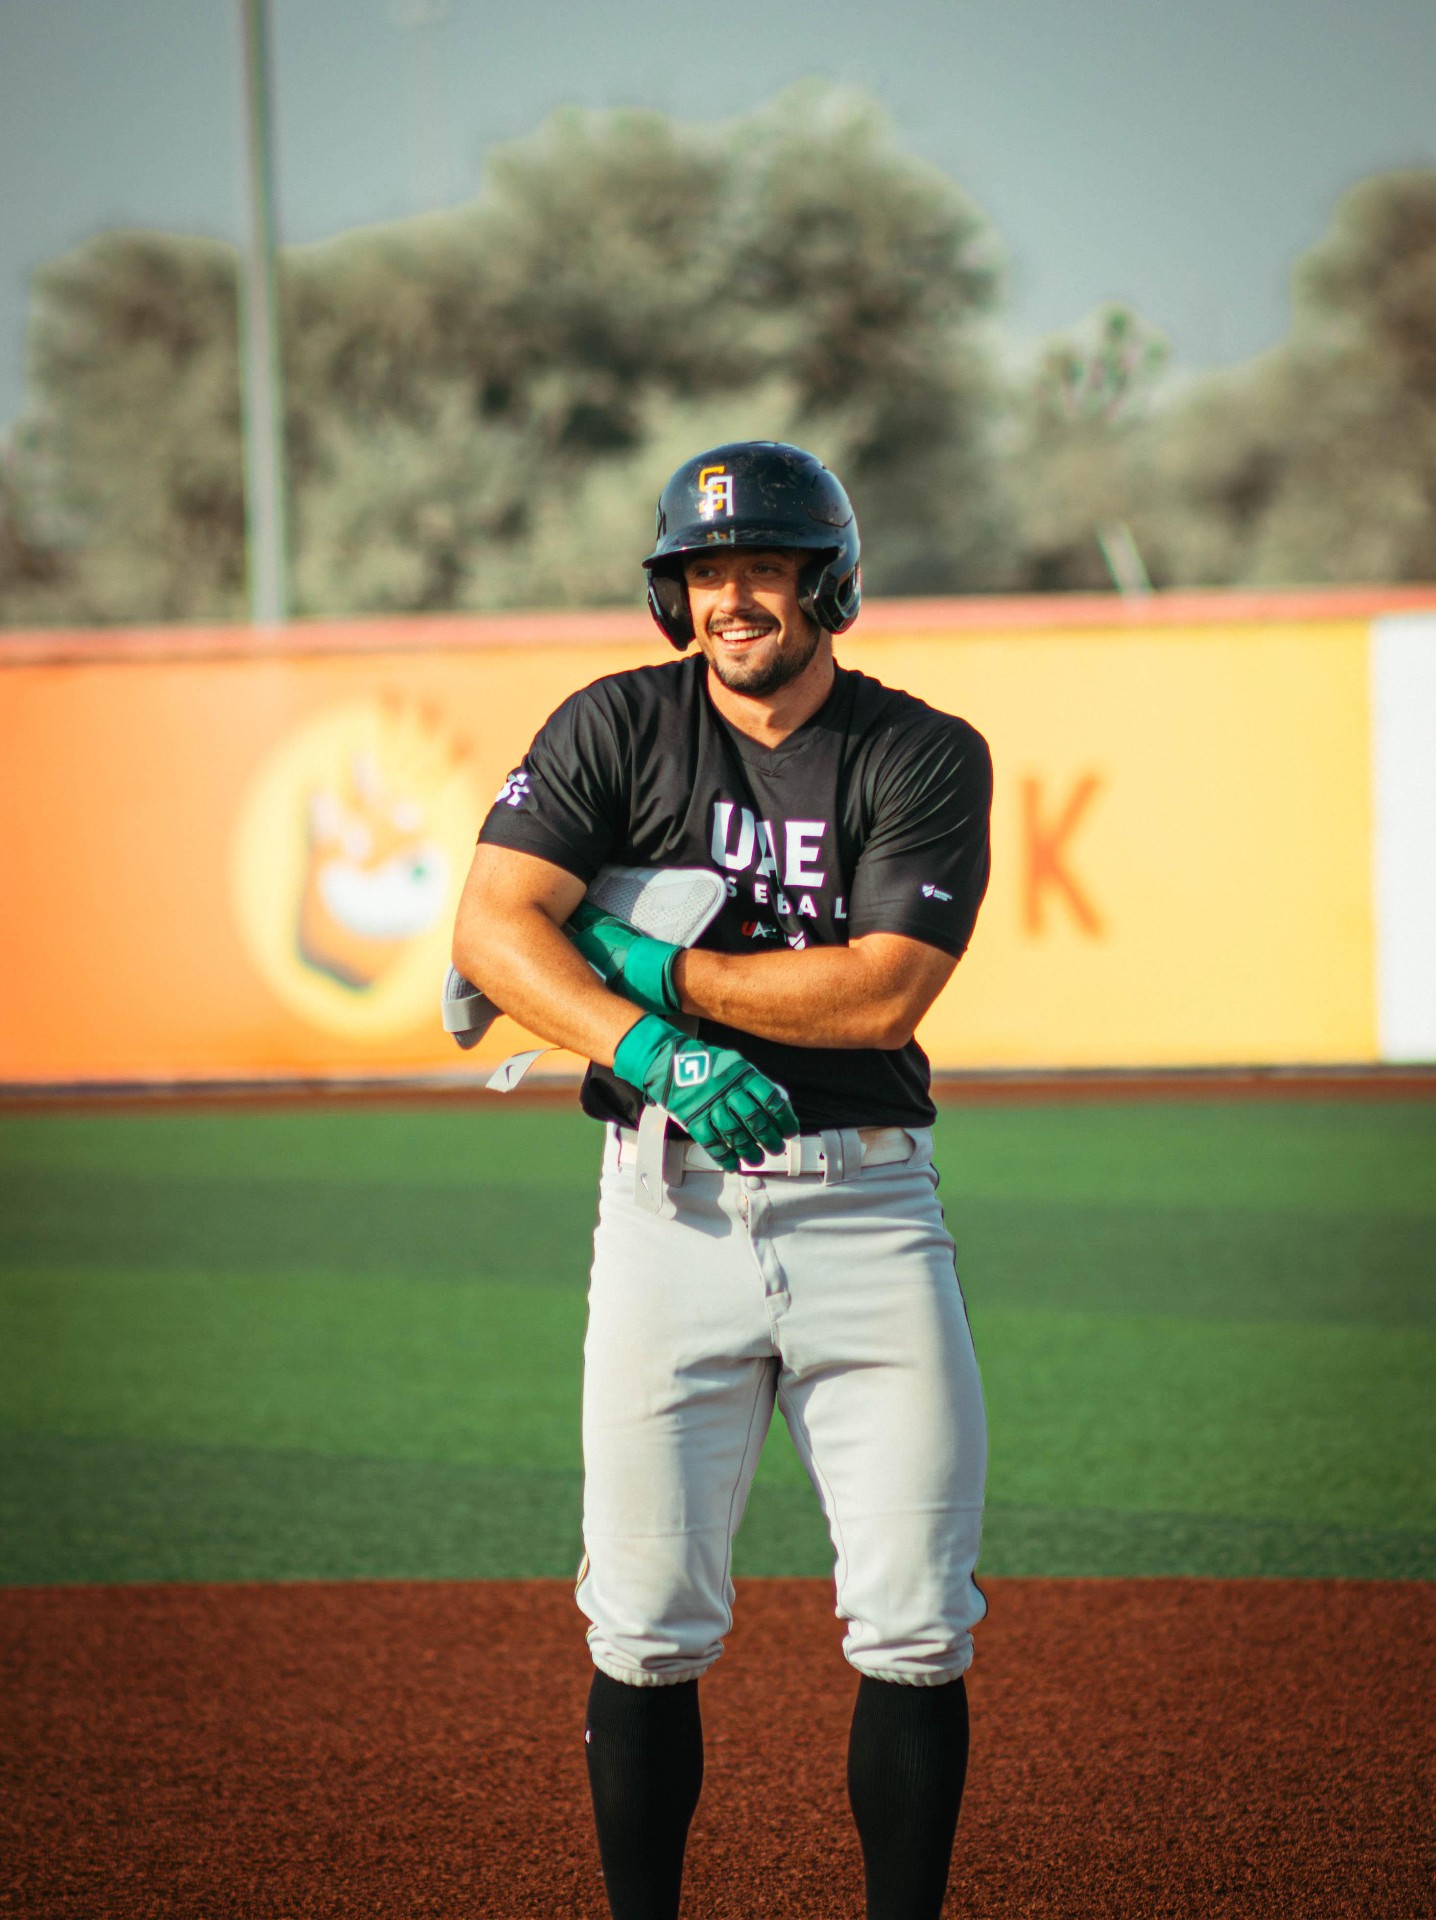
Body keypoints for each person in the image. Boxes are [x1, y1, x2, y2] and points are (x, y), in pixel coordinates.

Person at [452, 440, 992, 1920]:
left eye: (759, 565)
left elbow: (884, 993)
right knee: (639, 1623)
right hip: (664, 1207)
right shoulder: (616, 724)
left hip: (869, 1212)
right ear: (669, 594)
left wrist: (647, 963)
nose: (729, 596)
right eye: (701, 571)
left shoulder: (920, 750)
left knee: (916, 1623)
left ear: (829, 582)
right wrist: (653, 1047)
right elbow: (493, 927)